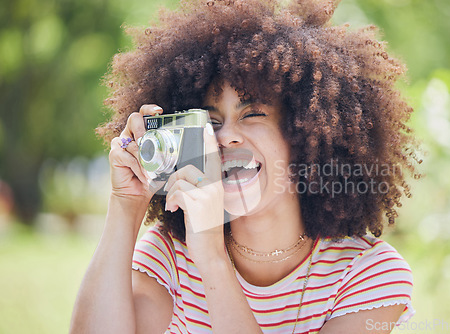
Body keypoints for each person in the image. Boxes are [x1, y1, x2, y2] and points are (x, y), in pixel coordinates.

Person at [70, 0, 420, 333]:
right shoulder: (169, 255)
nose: (226, 137)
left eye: (252, 114)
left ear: (305, 132)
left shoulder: (368, 273)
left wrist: (211, 254)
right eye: (211, 120)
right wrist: (125, 205)